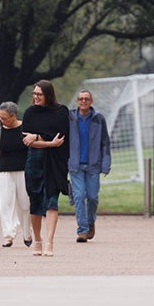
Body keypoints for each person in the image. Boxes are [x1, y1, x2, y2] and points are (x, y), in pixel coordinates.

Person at [21, 80, 69, 257]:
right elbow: (28, 141)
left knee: (51, 201)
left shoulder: (61, 112)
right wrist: (46, 141)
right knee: (35, 203)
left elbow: (61, 138)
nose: (35, 97)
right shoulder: (29, 113)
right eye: (34, 94)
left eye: (39, 94)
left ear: (48, 95)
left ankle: (49, 241)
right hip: (34, 161)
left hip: (55, 163)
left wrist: (38, 137)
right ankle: (38, 240)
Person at [67, 90, 111, 243]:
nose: (83, 101)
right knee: (79, 196)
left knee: (92, 197)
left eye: (86, 99)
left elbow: (105, 142)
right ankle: (82, 230)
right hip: (75, 165)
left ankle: (90, 221)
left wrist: (106, 163)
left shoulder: (98, 119)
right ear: (77, 101)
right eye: (80, 99)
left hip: (93, 164)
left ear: (91, 101)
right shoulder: (70, 118)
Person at [0, 101, 33, 248]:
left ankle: (27, 233)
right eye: (0, 118)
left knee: (24, 204)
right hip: (4, 170)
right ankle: (8, 235)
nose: (2, 121)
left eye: (5, 118)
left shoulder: (25, 128)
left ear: (13, 116)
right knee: (6, 203)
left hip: (23, 170)